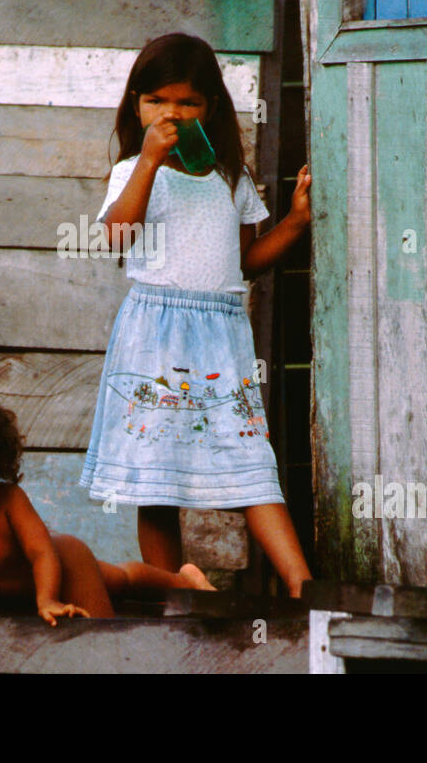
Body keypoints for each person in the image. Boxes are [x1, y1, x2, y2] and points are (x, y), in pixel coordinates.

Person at [80, 32, 314, 596]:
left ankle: (303, 586)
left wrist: (295, 223)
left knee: (251, 460)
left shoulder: (228, 177)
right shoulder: (134, 171)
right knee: (156, 475)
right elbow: (116, 235)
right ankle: (174, 591)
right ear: (136, 106)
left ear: (210, 107)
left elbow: (244, 261)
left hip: (220, 337)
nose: (172, 114)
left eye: (187, 102)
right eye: (156, 101)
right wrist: (151, 161)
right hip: (153, 335)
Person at [0, 384, 214, 625]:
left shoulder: (6, 499)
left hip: (65, 564)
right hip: (21, 592)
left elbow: (42, 552)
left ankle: (184, 581)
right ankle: (182, 578)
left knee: (108, 616)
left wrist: (48, 599)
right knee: (116, 578)